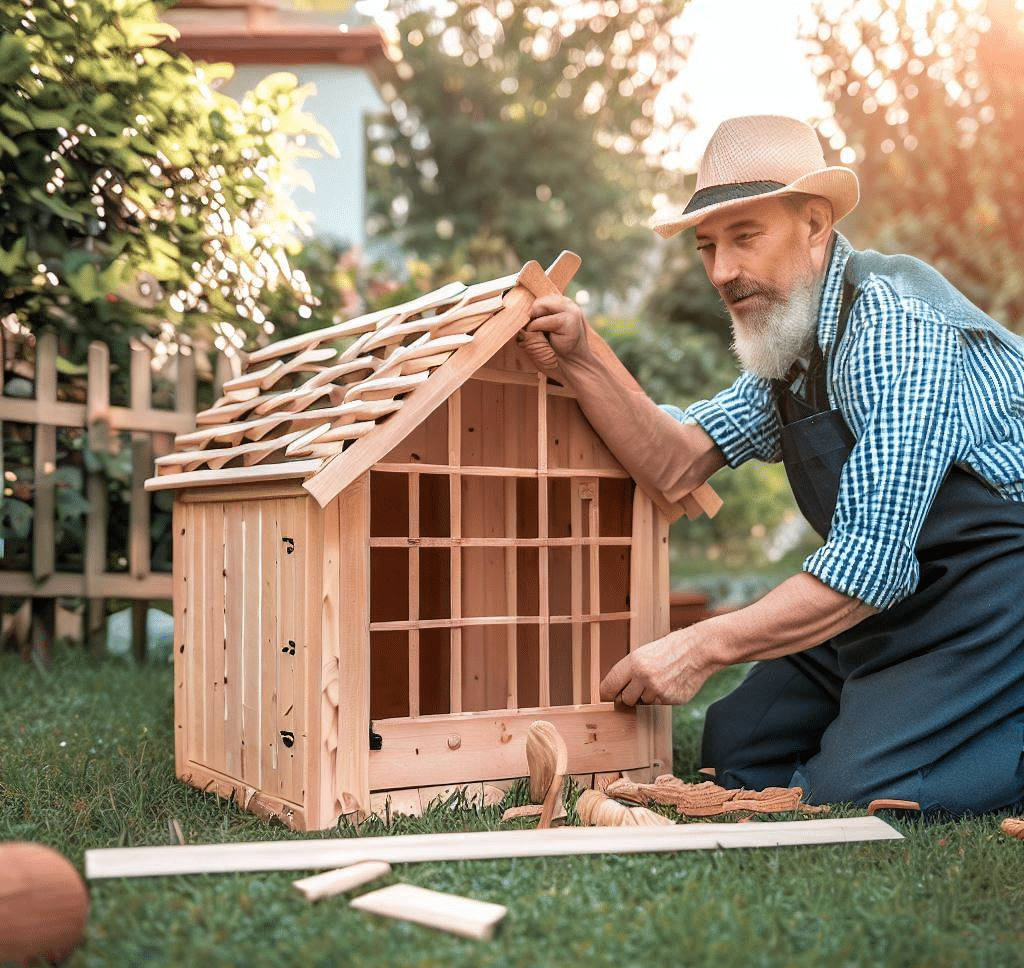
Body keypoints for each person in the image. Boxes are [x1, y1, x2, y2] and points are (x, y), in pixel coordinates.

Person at [522, 114, 1024, 817]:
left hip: (994, 592)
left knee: (858, 791)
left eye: (745, 237)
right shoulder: (792, 350)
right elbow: (674, 461)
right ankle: (903, 710)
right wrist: (581, 356)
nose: (722, 272)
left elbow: (871, 565)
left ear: (815, 226)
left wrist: (698, 647)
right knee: (736, 749)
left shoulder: (894, 327)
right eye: (707, 247)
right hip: (898, 594)